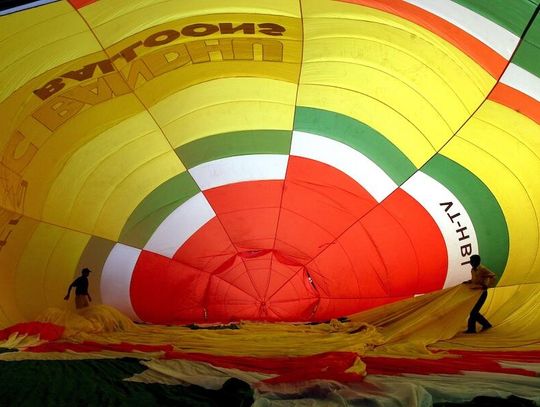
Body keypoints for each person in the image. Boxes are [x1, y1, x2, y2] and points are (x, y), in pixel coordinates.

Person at [463, 254, 496, 333]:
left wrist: (486, 285)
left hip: (482, 293)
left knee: (473, 311)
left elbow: (492, 276)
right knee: (474, 311)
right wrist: (469, 282)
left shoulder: (482, 269)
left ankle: (472, 329)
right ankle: (486, 324)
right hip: (475, 293)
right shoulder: (473, 270)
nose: (470, 262)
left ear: (476, 261)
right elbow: (474, 280)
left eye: (471, 261)